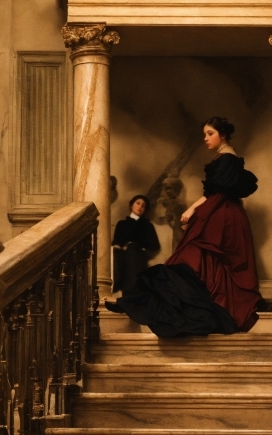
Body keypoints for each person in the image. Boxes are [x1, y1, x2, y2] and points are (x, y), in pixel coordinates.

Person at [105, 117, 263, 337]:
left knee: (190, 261)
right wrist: (195, 211)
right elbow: (214, 194)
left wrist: (192, 211)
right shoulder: (224, 157)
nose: (205, 138)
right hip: (222, 214)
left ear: (223, 135)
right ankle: (132, 301)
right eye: (204, 134)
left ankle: (134, 302)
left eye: (210, 133)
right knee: (198, 265)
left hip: (222, 217)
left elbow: (215, 195)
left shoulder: (227, 158)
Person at [112, 195, 160, 295]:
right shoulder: (122, 224)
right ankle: (128, 291)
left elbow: (155, 245)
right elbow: (117, 241)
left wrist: (134, 244)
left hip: (138, 255)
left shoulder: (147, 225)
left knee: (132, 251)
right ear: (131, 205)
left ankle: (132, 292)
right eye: (137, 203)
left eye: (143, 205)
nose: (140, 207)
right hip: (122, 255)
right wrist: (117, 245)